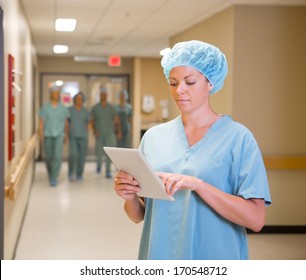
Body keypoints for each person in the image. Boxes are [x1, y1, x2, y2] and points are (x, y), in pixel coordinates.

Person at [113, 40, 271, 260]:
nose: (180, 90)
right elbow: (141, 215)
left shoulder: (238, 138)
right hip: (161, 255)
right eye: (173, 82)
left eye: (190, 81)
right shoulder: (153, 138)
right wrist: (129, 196)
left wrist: (198, 185)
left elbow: (255, 219)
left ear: (211, 83)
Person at [39, 84, 69, 187]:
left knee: (57, 156)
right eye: (54, 93)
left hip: (59, 135)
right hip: (48, 134)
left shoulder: (63, 108)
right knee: (48, 157)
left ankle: (53, 177)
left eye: (58, 93)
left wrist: (66, 135)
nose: (56, 94)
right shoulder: (45, 107)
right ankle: (51, 173)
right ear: (51, 94)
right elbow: (41, 122)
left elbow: (66, 123)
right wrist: (41, 134)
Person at [91, 86, 122, 178]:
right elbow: (92, 121)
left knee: (109, 153)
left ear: (107, 95)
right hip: (99, 133)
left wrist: (119, 131)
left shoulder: (111, 108)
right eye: (101, 94)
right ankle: (99, 164)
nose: (103, 95)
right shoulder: (95, 108)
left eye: (104, 94)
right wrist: (94, 130)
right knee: (99, 152)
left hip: (109, 133)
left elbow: (116, 120)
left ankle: (108, 170)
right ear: (100, 95)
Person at [68, 91, 90, 181]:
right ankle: (71, 171)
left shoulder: (85, 111)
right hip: (73, 135)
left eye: (80, 98)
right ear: (74, 100)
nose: (79, 100)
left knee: (82, 156)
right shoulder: (70, 110)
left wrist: (88, 128)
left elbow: (88, 122)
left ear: (83, 100)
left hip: (83, 136)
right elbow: (66, 122)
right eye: (77, 98)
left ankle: (79, 173)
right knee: (73, 155)